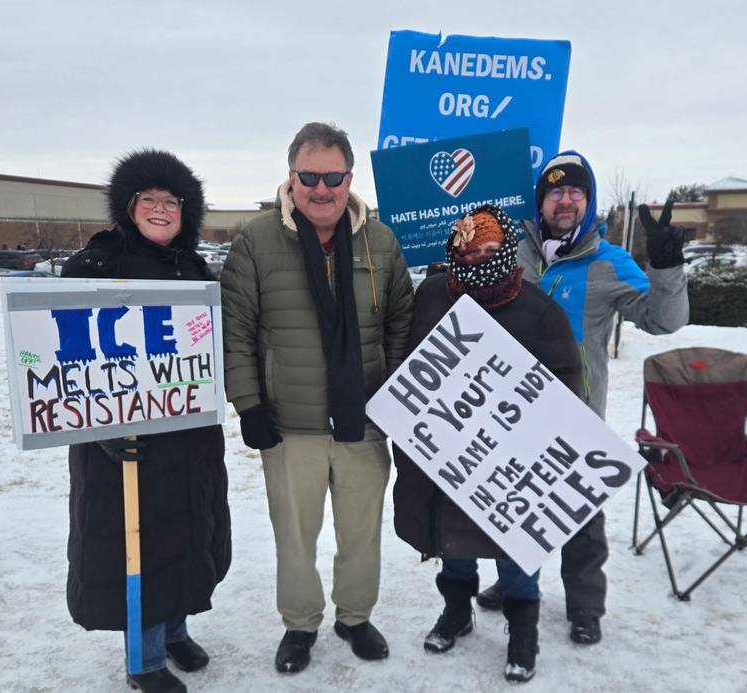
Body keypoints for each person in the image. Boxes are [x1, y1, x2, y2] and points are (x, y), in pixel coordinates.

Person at [221, 122, 414, 675]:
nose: (321, 189)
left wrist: (398, 389)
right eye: (310, 176)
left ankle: (354, 616)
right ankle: (300, 623)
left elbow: (401, 318)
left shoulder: (380, 241)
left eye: (333, 177)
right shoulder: (257, 240)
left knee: (361, 532)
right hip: (290, 424)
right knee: (294, 537)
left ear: (350, 179)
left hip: (365, 422)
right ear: (291, 177)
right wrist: (250, 405)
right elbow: (237, 329)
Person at [476, 151, 689, 645]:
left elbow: (663, 319)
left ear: (588, 201)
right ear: (541, 200)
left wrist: (667, 268)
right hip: (512, 409)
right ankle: (512, 582)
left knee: (581, 515)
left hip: (576, 411)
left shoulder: (609, 262)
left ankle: (585, 605)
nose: (565, 199)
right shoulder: (512, 253)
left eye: (576, 191)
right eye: (555, 191)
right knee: (513, 504)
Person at [61, 150, 232, 693]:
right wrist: (101, 427)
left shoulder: (194, 268)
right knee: (140, 544)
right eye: (149, 199)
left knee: (185, 535)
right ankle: (145, 657)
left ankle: (175, 628)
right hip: (123, 443)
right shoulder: (96, 264)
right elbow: (67, 363)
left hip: (186, 438)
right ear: (128, 206)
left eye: (171, 201)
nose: (160, 209)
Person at [392, 204, 582, 683]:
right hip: (448, 451)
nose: (481, 258)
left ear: (507, 251)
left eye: (492, 249)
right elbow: (409, 359)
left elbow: (566, 382)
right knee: (451, 539)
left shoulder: (539, 309)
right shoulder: (433, 295)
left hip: (512, 460)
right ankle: (457, 611)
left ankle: (524, 632)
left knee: (516, 547)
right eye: (470, 250)